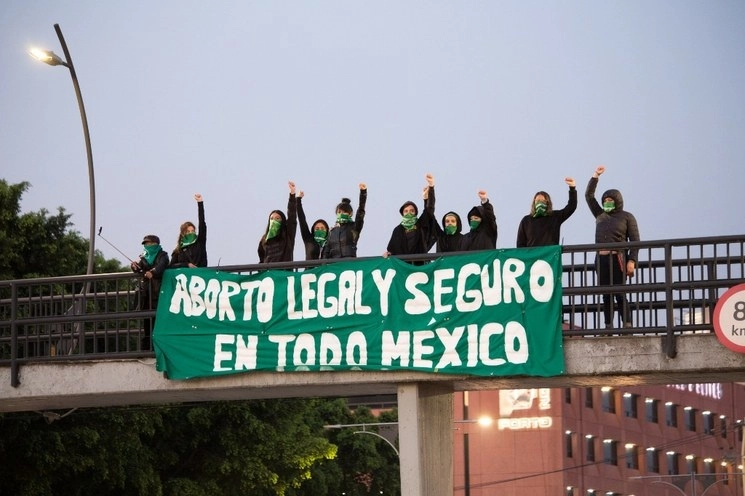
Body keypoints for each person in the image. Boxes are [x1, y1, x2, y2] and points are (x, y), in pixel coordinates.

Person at [585, 165, 640, 328]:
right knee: (606, 296)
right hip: (601, 259)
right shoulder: (600, 215)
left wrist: (632, 261)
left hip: (619, 258)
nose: (607, 203)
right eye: (605, 201)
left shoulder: (627, 217)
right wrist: (595, 176)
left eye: (610, 200)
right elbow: (589, 196)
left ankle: (627, 325)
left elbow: (635, 241)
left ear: (618, 201)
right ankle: (608, 326)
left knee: (620, 294)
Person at [384, 174, 437, 262]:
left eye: (412, 211)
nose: (409, 213)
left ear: (416, 213)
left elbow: (429, 209)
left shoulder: (420, 224)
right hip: (404, 269)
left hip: (421, 266)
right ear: (402, 213)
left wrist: (431, 188)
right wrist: (388, 254)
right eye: (406, 211)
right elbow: (392, 250)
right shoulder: (397, 230)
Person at [130, 234, 169, 350]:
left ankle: (160, 346)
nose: (148, 246)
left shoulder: (163, 255)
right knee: (147, 320)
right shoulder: (144, 257)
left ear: (156, 244)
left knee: (159, 319)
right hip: (146, 293)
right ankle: (147, 346)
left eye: (150, 243)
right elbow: (138, 268)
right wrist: (134, 266)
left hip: (160, 292)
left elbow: (162, 266)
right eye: (146, 244)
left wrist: (153, 272)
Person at [516, 177, 577, 247]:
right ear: (534, 203)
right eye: (537, 201)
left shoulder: (555, 217)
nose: (540, 203)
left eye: (543, 201)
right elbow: (520, 244)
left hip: (549, 257)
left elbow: (571, 207)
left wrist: (572, 188)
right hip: (532, 257)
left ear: (548, 203)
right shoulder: (526, 220)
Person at [321, 183, 367, 259]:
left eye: (344, 212)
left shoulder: (354, 227)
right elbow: (326, 251)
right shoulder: (332, 232)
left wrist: (363, 193)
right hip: (334, 266)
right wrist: (323, 266)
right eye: (339, 212)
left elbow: (360, 213)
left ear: (350, 213)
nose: (341, 214)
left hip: (349, 264)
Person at [258, 181, 298, 263]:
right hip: (269, 275)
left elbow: (292, 216)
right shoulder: (264, 240)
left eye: (277, 219)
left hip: (284, 274)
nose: (274, 221)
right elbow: (261, 260)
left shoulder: (287, 235)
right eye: (272, 219)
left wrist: (292, 194)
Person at [170, 193, 208, 269]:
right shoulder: (178, 250)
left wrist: (200, 203)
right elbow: (171, 266)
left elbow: (202, 224)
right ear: (183, 233)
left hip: (200, 276)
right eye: (188, 231)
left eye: (193, 231)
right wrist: (186, 265)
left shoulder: (199, 242)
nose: (191, 233)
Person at [297, 190, 329, 261]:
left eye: (322, 228)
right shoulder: (308, 239)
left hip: (326, 271)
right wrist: (298, 200)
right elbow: (302, 220)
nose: (319, 230)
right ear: (313, 230)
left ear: (327, 231)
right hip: (310, 271)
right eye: (317, 228)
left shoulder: (330, 242)